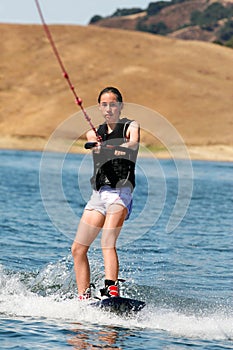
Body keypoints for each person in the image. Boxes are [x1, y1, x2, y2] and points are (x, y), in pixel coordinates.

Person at [71, 86, 140, 300]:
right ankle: (84, 296)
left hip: (121, 194)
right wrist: (95, 144)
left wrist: (111, 147)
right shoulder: (96, 132)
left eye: (112, 104)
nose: (108, 109)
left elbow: (133, 143)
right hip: (99, 195)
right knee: (78, 249)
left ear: (120, 106)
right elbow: (89, 137)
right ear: (100, 107)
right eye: (104, 105)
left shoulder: (131, 126)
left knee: (107, 242)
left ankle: (112, 290)